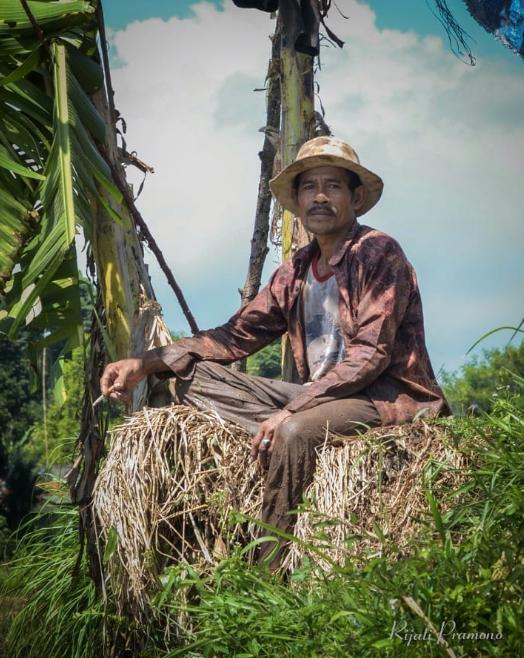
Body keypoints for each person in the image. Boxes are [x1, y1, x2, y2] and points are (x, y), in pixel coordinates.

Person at [100, 136, 450, 567]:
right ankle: (281, 434)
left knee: (293, 433)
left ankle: (266, 569)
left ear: (356, 197)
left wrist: (293, 411)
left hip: (380, 397)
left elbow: (371, 354)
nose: (319, 196)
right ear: (298, 201)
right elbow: (236, 335)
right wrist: (146, 362)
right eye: (309, 187)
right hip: (321, 396)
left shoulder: (378, 252)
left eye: (333, 186)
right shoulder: (297, 269)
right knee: (189, 376)